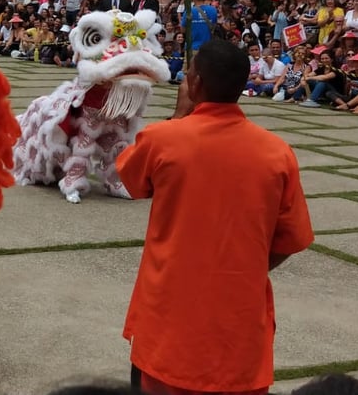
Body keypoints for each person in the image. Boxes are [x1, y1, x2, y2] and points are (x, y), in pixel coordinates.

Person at [116, 39, 314, 395]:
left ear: (195, 84)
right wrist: (243, 267)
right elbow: (292, 238)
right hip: (238, 328)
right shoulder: (277, 153)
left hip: (169, 322)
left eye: (189, 75)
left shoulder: (163, 139)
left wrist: (179, 118)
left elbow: (130, 180)